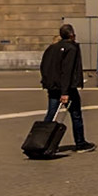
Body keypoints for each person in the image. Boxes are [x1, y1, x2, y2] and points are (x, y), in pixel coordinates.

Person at [38, 23, 92, 152]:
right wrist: (65, 92)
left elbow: (44, 67)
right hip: (67, 88)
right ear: (72, 35)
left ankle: (43, 142)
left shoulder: (51, 48)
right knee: (76, 115)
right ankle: (80, 143)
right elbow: (67, 71)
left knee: (51, 115)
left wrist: (48, 83)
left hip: (53, 87)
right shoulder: (71, 48)